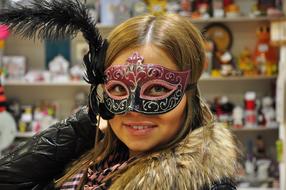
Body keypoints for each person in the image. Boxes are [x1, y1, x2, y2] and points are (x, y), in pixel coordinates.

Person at [0, 0, 239, 189]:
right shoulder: (93, 158)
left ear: (189, 91)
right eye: (117, 88)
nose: (131, 108)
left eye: (157, 88)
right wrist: (84, 125)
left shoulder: (205, 185)